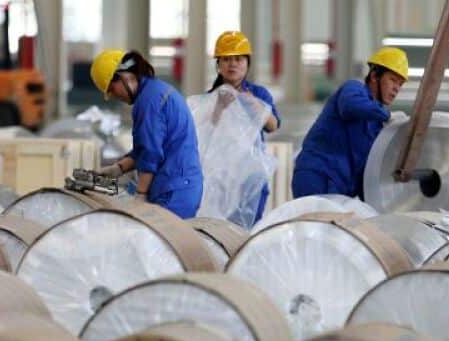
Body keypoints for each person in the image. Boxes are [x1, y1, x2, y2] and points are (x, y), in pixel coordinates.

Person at [90, 49, 204, 219]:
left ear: (123, 77)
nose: (114, 96)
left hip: (173, 191)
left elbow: (151, 153)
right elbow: (144, 150)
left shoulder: (148, 101)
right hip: (181, 186)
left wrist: (141, 195)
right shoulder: (156, 91)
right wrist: (118, 168)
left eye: (112, 89)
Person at [291, 47, 408, 199]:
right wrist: (387, 115)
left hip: (340, 190)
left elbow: (364, 174)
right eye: (393, 80)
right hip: (316, 177)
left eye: (400, 84)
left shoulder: (376, 128)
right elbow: (349, 105)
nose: (396, 88)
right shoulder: (353, 89)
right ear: (374, 76)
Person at [209, 30, 279, 222]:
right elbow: (206, 132)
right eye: (226, 59)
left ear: (247, 63)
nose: (232, 64)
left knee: (248, 225)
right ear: (218, 65)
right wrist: (219, 107)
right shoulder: (210, 98)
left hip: (251, 175)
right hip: (221, 174)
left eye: (238, 59)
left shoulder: (259, 94)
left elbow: (273, 126)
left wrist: (253, 103)